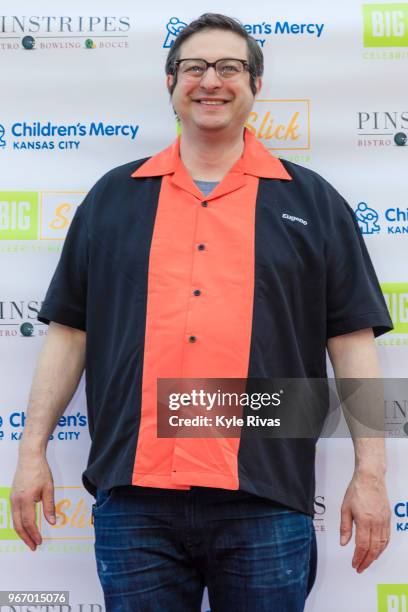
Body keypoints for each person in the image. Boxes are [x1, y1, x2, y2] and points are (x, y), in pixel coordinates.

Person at [11, 13, 393, 612]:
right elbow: (68, 334)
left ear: (255, 85)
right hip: (136, 501)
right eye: (194, 67)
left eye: (229, 67)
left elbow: (353, 344)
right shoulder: (113, 197)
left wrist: (372, 474)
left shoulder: (313, 201)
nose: (210, 81)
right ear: (170, 83)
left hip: (264, 498)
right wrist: (31, 449)